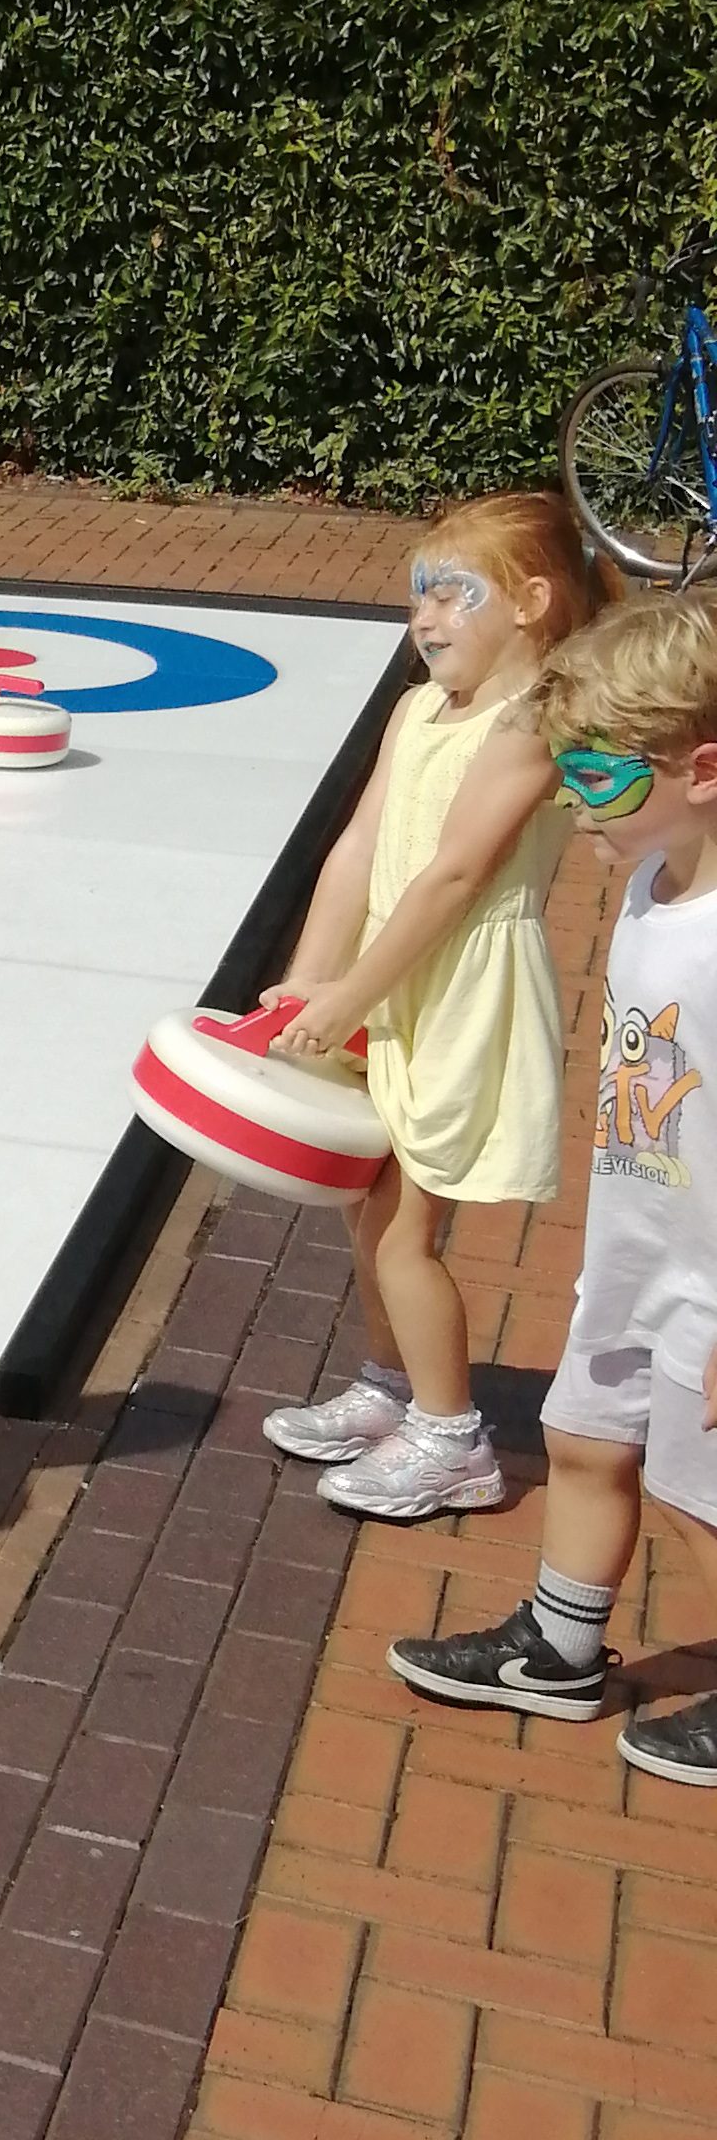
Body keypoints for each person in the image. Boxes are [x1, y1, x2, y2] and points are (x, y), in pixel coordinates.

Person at [388, 590, 717, 1785]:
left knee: (702, 1496)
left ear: (704, 769)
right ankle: (561, 1647)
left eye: (601, 778)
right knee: (584, 1436)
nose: (574, 802)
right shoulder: (649, 883)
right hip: (642, 1240)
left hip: (714, 1279)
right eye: (567, 774)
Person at [260, 492, 608, 1519]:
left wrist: (353, 993)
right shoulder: (419, 709)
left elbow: (457, 877)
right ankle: (390, 1386)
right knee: (369, 1209)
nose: (425, 617)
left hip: (458, 994)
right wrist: (309, 978)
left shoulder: (531, 725)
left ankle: (453, 1439)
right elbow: (361, 848)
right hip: (391, 982)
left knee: (408, 1230)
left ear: (534, 603)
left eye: (453, 594)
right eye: (418, 597)